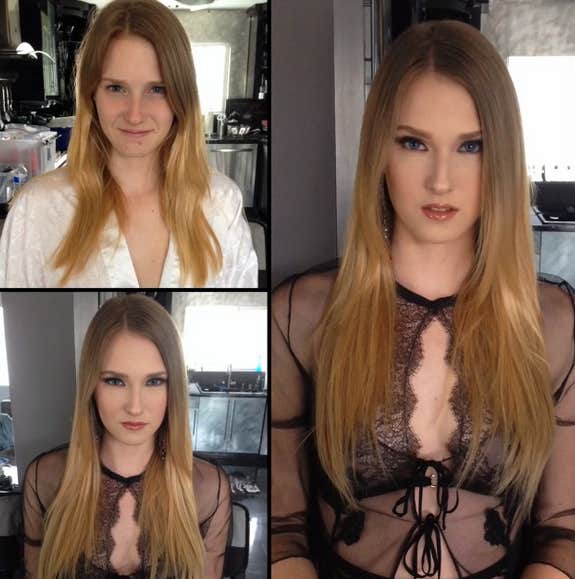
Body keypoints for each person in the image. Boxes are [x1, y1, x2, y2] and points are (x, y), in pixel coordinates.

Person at [271, 20, 575, 579]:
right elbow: (282, 527)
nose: (441, 180)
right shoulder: (303, 316)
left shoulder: (551, 323)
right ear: (379, 151)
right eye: (414, 143)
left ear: (502, 156)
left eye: (471, 146)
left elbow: (562, 528)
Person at [0, 0, 258, 288]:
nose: (135, 115)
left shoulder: (221, 203)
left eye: (157, 89)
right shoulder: (37, 209)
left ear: (182, 98)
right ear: (91, 95)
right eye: (116, 88)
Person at [22, 295, 231, 578]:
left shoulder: (207, 489)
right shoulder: (46, 480)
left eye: (154, 381)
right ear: (91, 385)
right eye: (115, 381)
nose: (134, 407)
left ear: (173, 389)